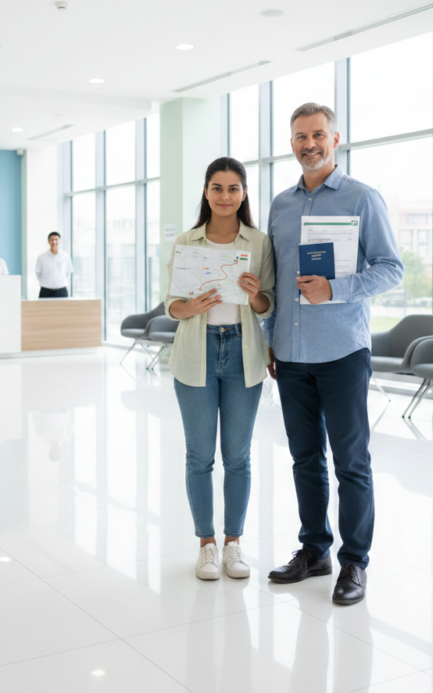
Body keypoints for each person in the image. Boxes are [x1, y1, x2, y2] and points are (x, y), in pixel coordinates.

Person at [264, 102, 403, 605]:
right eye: (300, 136)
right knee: (305, 459)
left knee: (351, 462)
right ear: (292, 143)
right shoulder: (280, 205)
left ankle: (354, 562)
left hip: (343, 352)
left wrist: (337, 289)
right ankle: (315, 550)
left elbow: (392, 269)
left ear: (335, 138)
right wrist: (269, 337)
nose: (308, 144)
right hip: (292, 354)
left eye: (317, 134)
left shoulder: (363, 198)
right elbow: (276, 282)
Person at [165, 157, 275, 581]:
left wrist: (255, 296)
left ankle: (234, 544)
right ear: (206, 193)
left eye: (233, 188)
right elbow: (172, 304)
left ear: (244, 193)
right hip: (197, 350)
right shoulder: (187, 242)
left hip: (243, 351)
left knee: (238, 457)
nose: (225, 196)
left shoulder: (260, 243)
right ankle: (206, 545)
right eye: (217, 188)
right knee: (199, 456)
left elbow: (269, 305)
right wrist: (189, 307)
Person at [35, 232, 73, 297]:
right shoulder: (42, 257)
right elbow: (38, 273)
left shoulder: (66, 256)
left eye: (56, 239)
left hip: (61, 291)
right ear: (48, 241)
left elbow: (68, 272)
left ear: (59, 241)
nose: (54, 242)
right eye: (52, 240)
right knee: (43, 307)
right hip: (45, 291)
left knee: (63, 307)